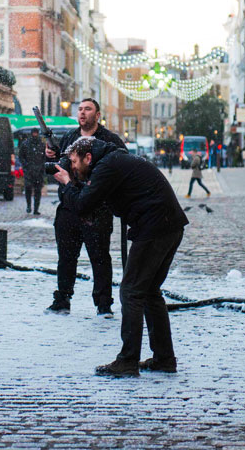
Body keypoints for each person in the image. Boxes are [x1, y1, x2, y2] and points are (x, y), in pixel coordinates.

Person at [53, 136, 189, 377]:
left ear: (88, 157)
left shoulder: (107, 166)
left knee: (131, 291)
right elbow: (92, 199)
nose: (72, 168)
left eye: (74, 162)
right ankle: (164, 359)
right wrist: (75, 183)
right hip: (167, 225)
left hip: (155, 227)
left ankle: (128, 361)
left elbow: (84, 204)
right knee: (148, 291)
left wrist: (67, 182)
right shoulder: (110, 162)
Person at [44, 98, 126, 316]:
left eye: (87, 109)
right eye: (80, 109)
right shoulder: (70, 137)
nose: (82, 113)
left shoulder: (109, 140)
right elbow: (60, 168)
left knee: (99, 258)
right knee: (66, 256)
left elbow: (121, 167)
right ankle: (62, 299)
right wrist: (52, 156)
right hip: (69, 206)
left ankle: (103, 303)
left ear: (97, 115)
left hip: (97, 209)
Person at [18, 129, 46, 215]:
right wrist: (26, 165)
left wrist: (42, 167)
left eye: (36, 133)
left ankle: (36, 208)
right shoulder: (26, 144)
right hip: (29, 170)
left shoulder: (41, 145)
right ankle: (29, 206)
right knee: (28, 188)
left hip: (39, 171)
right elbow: (21, 156)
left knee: (37, 190)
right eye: (34, 133)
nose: (35, 134)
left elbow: (44, 157)